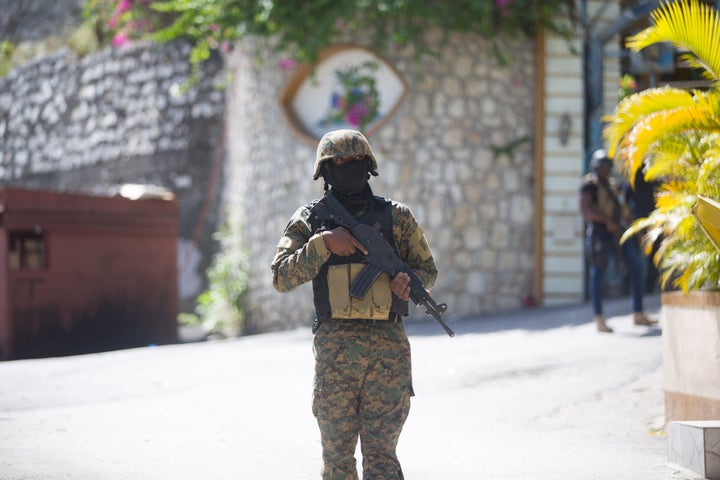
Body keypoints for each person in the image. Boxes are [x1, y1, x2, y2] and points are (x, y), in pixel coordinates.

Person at [271, 129, 438, 479]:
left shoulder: (397, 217)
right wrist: (323, 244)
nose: (348, 167)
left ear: (369, 165)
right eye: (339, 162)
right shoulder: (309, 219)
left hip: (387, 351)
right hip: (336, 352)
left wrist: (410, 284)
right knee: (337, 460)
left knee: (382, 459)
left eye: (355, 161)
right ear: (325, 171)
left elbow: (427, 270)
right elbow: (281, 278)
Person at [579, 149, 657, 333]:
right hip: (600, 234)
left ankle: (638, 313)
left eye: (607, 167)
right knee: (597, 274)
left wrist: (637, 230)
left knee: (636, 267)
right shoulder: (588, 186)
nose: (605, 170)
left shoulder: (613, 186)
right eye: (602, 167)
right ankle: (598, 318)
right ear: (596, 168)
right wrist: (606, 221)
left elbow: (624, 211)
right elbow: (586, 210)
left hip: (617, 234)